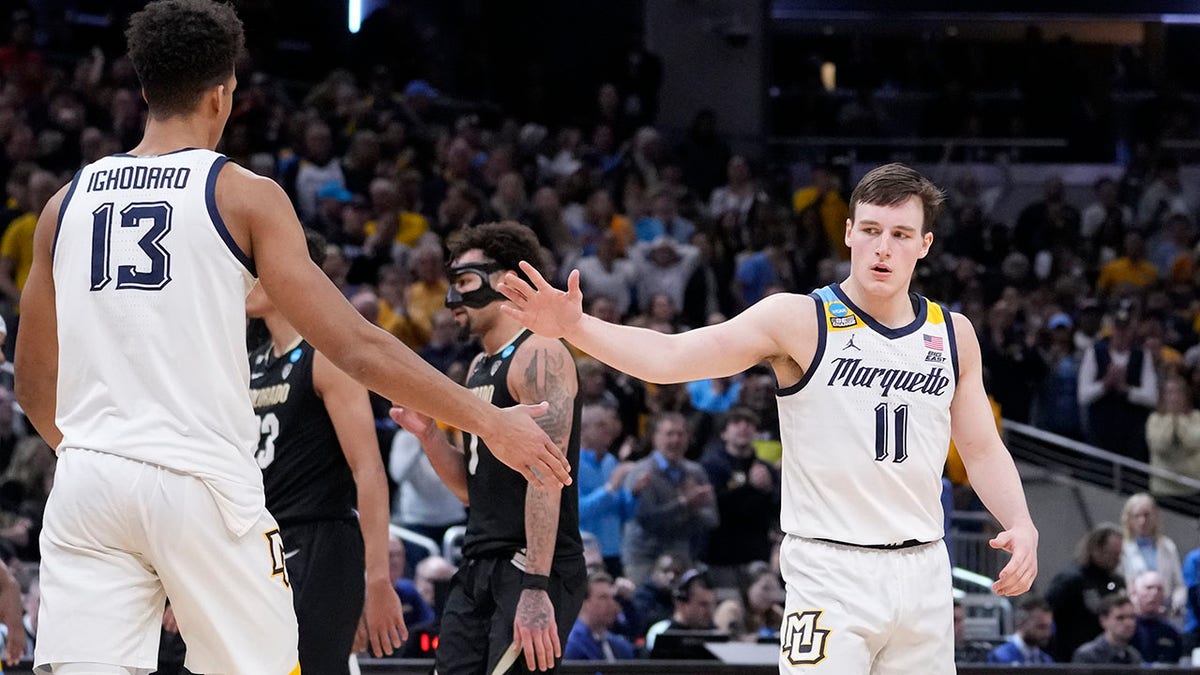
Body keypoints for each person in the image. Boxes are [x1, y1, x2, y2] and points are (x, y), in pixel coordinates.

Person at [13, 3, 569, 673]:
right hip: (199, 482)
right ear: (224, 94)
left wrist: (108, 459)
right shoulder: (240, 195)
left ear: (142, 90)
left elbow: (35, 386)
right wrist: (488, 421)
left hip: (87, 481)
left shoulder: (61, 206)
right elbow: (356, 345)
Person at [498, 161, 1038, 673]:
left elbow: (983, 448)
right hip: (831, 570)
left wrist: (1021, 522)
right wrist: (577, 326)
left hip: (924, 569)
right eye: (871, 229)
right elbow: (670, 358)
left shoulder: (953, 333)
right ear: (848, 232)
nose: (883, 247)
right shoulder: (799, 319)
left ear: (924, 245)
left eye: (900, 234)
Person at [390, 221, 586, 674]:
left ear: (504, 281)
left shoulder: (541, 353)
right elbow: (469, 489)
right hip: (479, 559)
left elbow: (545, 475)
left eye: (463, 282)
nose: (452, 299)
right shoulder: (478, 365)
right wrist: (429, 435)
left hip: (532, 563)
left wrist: (536, 585)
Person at [245, 230, 406, 671]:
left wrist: (376, 578)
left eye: (253, 270)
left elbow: (368, 469)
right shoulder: (251, 361)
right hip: (258, 541)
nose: (242, 279)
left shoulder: (326, 357)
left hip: (319, 540)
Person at [1046, 523, 1125, 662]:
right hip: (1071, 656)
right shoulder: (1070, 580)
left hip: (1108, 658)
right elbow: (1047, 612)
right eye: (1112, 554)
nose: (1117, 560)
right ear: (1096, 549)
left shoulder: (1117, 582)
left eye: (1119, 555)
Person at [1120, 493, 1186, 618]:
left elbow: (1179, 585)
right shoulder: (1122, 549)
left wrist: (1174, 604)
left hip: (1165, 612)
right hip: (1134, 614)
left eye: (1146, 515)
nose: (1142, 521)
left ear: (1155, 516)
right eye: (1136, 516)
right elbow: (1120, 586)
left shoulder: (1167, 546)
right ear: (1128, 519)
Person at [563, 572, 636, 662]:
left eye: (613, 597)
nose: (611, 604)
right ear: (582, 603)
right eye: (603, 598)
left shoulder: (622, 647)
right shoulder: (570, 645)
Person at [1129, 570, 1183, 664]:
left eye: (1159, 589)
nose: (1154, 593)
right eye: (1149, 588)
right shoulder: (1127, 627)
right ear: (1135, 592)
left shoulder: (1170, 632)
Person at [1071, 593, 1142, 665]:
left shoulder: (1134, 656)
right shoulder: (1087, 655)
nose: (1128, 623)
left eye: (1132, 617)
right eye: (1120, 618)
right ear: (1103, 621)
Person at [985, 596, 1054, 664]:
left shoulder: (1046, 660)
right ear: (1022, 623)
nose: (1047, 633)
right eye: (1041, 627)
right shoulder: (1000, 657)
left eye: (1049, 627)